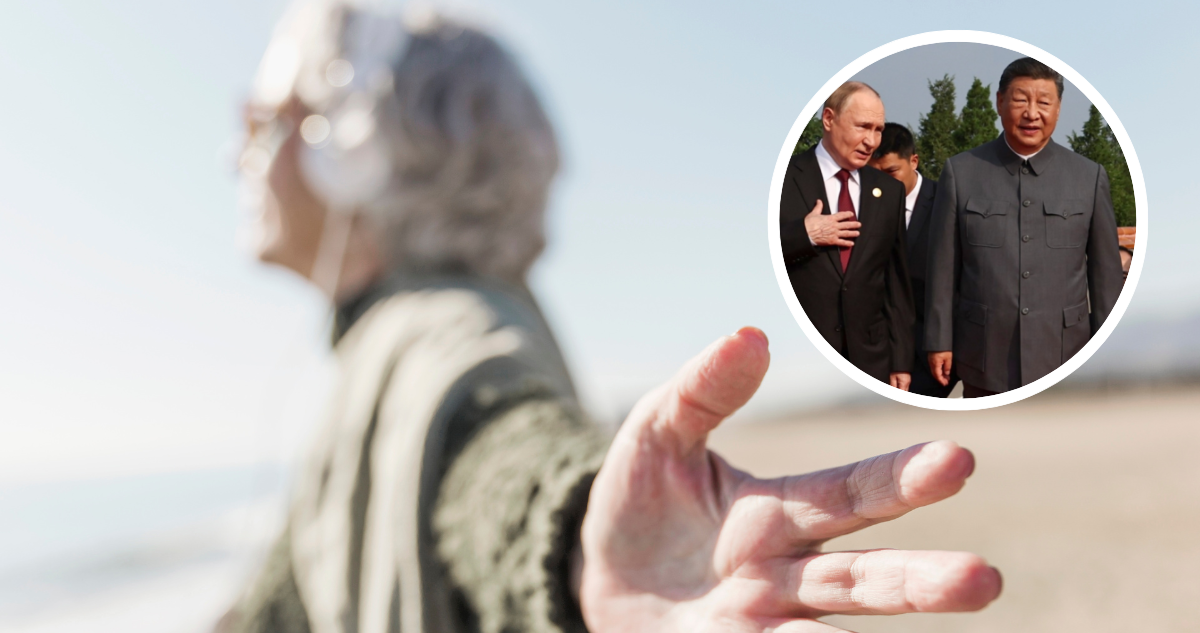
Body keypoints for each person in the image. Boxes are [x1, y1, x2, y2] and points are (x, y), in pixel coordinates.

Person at [219, 4, 1002, 631]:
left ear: (355, 149)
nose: (237, 156)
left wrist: (574, 538)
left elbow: (497, 457)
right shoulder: (388, 346)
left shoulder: (447, 340)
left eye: (265, 122)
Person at [924, 57, 1124, 398]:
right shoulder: (961, 172)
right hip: (985, 354)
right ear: (1000, 101)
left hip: (1066, 353)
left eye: (1044, 102)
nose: (1032, 113)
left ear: (1058, 109)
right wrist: (939, 339)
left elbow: (1106, 277)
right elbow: (942, 266)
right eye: (1020, 100)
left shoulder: (1088, 177)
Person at [779, 82, 915, 391]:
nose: (871, 141)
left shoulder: (889, 190)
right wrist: (805, 234)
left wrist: (901, 361)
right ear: (828, 118)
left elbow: (896, 283)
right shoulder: (783, 178)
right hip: (802, 359)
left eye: (878, 129)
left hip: (872, 360)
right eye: (863, 127)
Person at [868, 123, 958, 397]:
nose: (883, 182)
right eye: (875, 174)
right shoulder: (862, 207)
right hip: (878, 352)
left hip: (934, 351)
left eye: (892, 171)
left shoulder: (949, 202)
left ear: (913, 161)